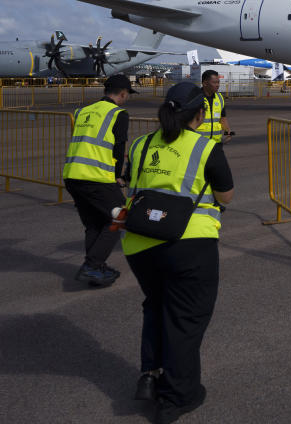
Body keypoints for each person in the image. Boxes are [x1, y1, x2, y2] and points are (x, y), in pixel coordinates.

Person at [122, 82, 234, 423]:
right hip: (188, 245)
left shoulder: (141, 144)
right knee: (185, 319)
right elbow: (226, 196)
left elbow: (130, 183)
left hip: (139, 243)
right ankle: (176, 397)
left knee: (157, 305)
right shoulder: (206, 147)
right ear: (200, 114)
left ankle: (150, 374)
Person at [62, 74, 136, 286]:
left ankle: (95, 267)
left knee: (95, 223)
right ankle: (92, 266)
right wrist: (117, 177)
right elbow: (119, 146)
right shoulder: (118, 113)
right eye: (127, 95)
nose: (127, 99)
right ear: (122, 93)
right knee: (119, 217)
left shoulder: (82, 111)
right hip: (95, 177)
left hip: (72, 175)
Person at [198, 69, 233, 144]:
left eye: (218, 82)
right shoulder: (195, 98)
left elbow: (222, 118)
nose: (217, 85)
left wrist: (228, 132)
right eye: (214, 82)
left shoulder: (220, 98)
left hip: (216, 143)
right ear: (205, 83)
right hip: (198, 143)